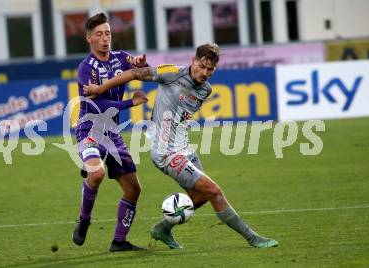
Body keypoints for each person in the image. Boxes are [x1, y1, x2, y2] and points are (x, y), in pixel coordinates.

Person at [83, 43, 279, 249]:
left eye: (210, 69)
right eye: (201, 66)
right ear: (193, 61)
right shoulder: (172, 73)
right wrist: (100, 88)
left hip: (184, 148)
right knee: (214, 190)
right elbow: (134, 73)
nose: (204, 72)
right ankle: (252, 238)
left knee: (201, 196)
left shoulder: (206, 89)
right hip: (166, 152)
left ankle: (163, 228)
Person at [72, 12, 149, 252]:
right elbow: (98, 106)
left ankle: (119, 241)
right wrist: (130, 104)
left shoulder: (119, 58)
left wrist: (140, 63)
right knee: (96, 175)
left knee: (134, 189)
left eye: (108, 33)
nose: (105, 38)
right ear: (89, 39)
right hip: (90, 129)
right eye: (99, 34)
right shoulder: (86, 69)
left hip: (113, 133)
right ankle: (84, 219)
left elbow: (139, 67)